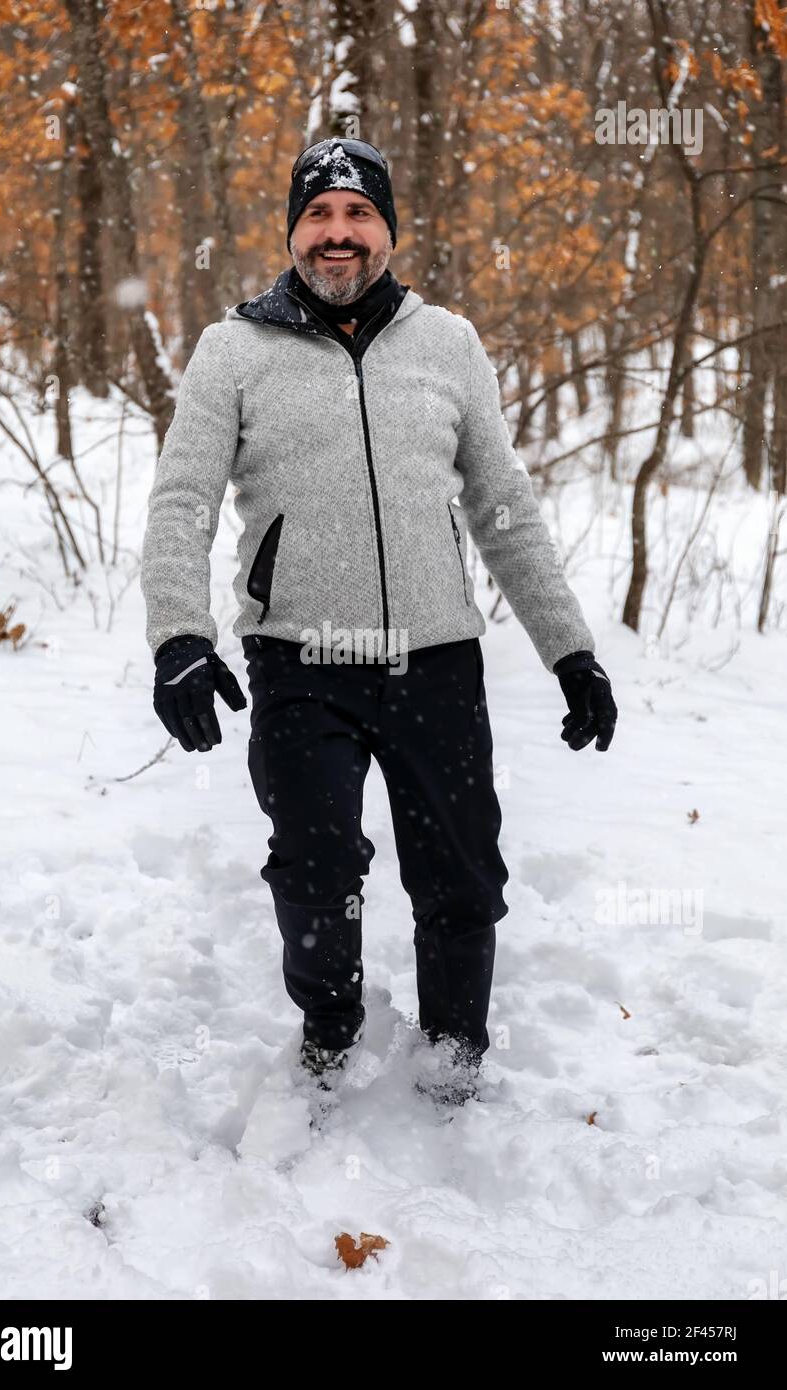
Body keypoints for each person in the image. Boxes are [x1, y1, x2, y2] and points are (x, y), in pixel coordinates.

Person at [141, 137, 618, 1108]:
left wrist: (569, 651)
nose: (337, 233)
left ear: (387, 232)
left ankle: (451, 1053)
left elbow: (502, 508)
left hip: (435, 659)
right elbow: (181, 501)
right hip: (299, 661)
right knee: (312, 868)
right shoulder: (233, 349)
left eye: (357, 214)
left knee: (460, 874)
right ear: (292, 232)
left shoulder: (447, 343)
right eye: (318, 214)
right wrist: (179, 638)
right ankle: (328, 1026)